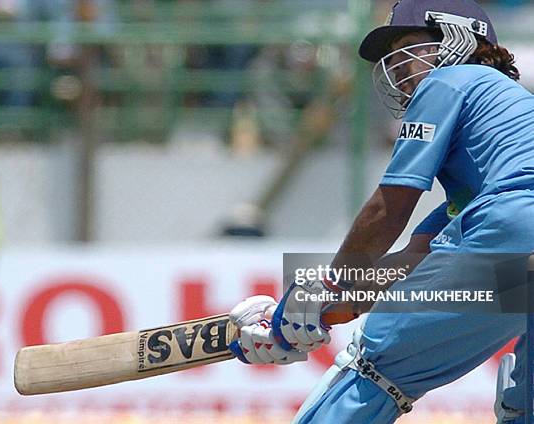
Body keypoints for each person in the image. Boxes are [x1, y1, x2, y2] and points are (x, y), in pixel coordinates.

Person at [227, 0, 534, 423]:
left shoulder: (450, 81)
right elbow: (419, 258)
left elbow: (388, 209)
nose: (400, 69)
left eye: (411, 47)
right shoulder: (502, 142)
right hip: (521, 264)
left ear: (460, 36)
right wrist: (307, 317)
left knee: (378, 365)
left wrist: (327, 287)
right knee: (527, 403)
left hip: (516, 235)